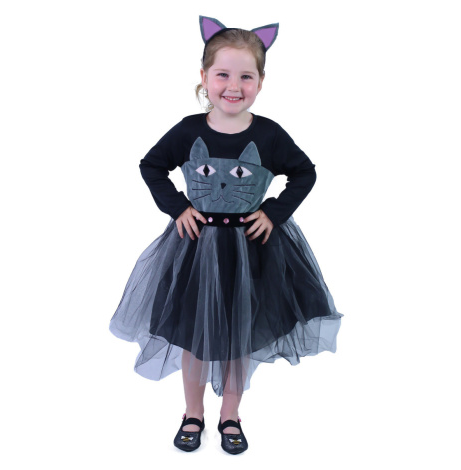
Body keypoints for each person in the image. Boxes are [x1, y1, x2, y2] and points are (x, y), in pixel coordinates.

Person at [109, 15, 344, 454]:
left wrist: (273, 212)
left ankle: (231, 414)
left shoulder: (269, 134)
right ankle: (192, 412)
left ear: (260, 82)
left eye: (246, 77)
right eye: (222, 75)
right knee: (193, 337)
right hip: (195, 251)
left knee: (240, 337)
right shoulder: (188, 130)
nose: (233, 86)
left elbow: (304, 173)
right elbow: (151, 165)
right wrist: (178, 206)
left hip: (252, 253)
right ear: (204, 77)